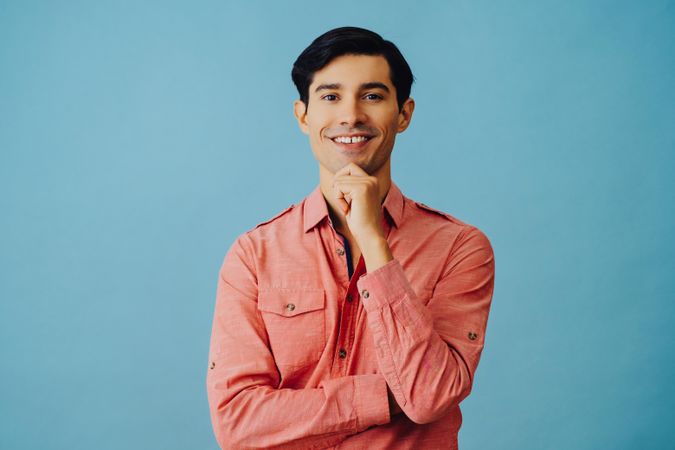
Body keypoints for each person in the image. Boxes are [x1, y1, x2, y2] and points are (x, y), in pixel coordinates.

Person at [206, 26, 495, 449]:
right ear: (303, 116)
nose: (351, 116)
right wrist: (383, 396)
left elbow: (430, 399)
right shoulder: (254, 255)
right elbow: (237, 423)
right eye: (330, 96)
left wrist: (374, 242)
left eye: (373, 96)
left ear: (404, 114)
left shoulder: (460, 248)